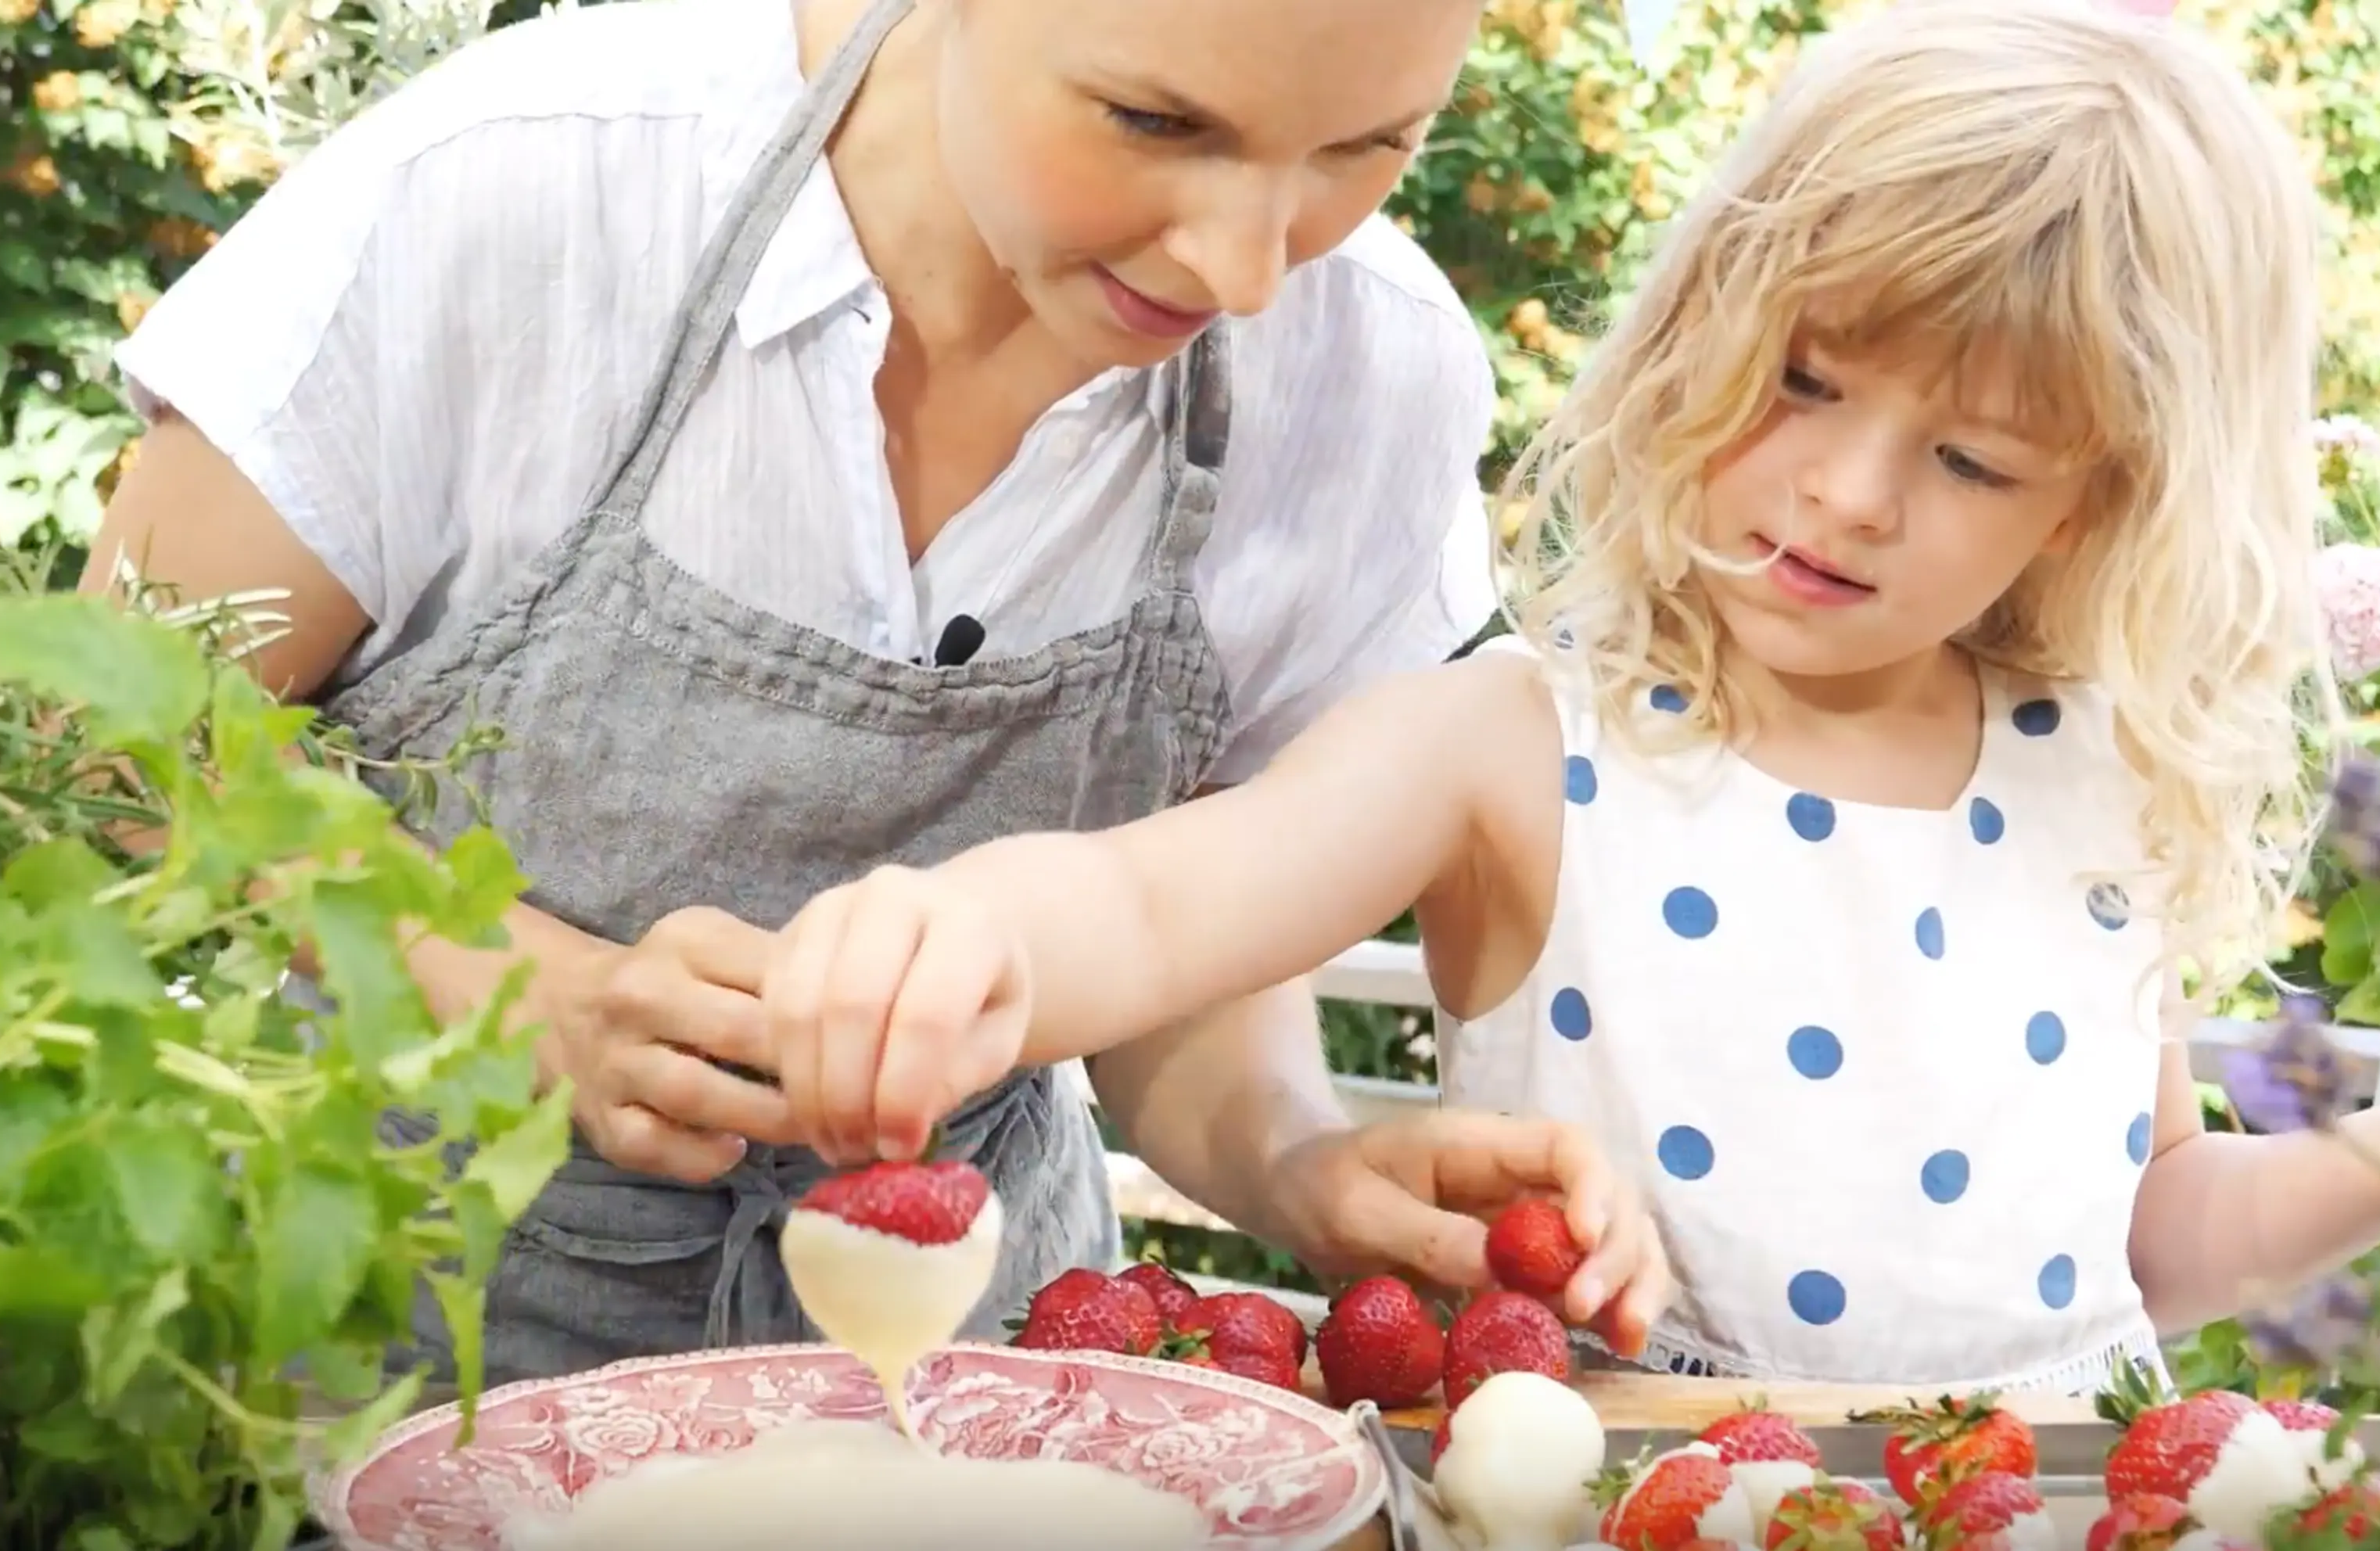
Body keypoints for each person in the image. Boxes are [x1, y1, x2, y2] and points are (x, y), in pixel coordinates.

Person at [748, 0, 2380, 1389]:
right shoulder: (1523, 744)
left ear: (2096, 502)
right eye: (1805, 379)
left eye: (1975, 462)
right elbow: (1156, 895)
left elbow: (2150, 1243)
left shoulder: (2096, 787)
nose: (1849, 492)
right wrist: (957, 933)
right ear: (1699, 322)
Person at [80, 0, 1603, 1384]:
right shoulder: (515, 189)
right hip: (394, 1346)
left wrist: (1297, 1159)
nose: (1248, 267)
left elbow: (1189, 926)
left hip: (983, 1359)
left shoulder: (1371, 369)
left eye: (1364, 147)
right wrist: (512, 981)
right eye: (1156, 124)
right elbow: (111, 740)